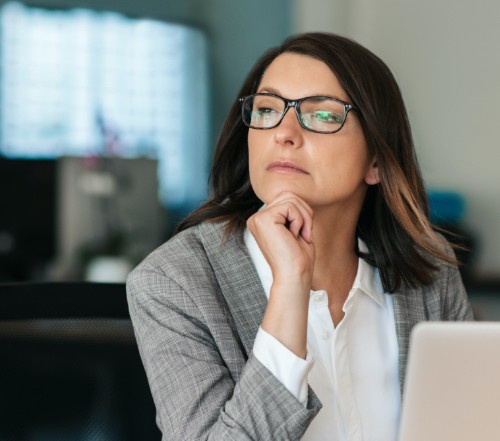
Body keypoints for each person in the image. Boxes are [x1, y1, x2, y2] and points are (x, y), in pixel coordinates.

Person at [127, 32, 473, 440]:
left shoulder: (430, 272)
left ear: (377, 161)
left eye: (323, 115)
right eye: (267, 109)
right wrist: (290, 290)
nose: (284, 132)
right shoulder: (173, 282)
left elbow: (472, 423)